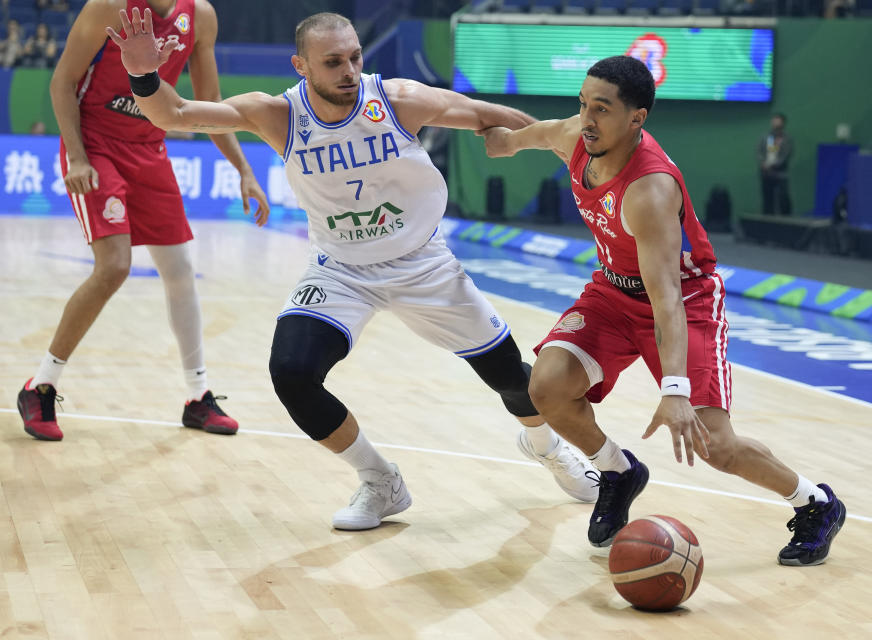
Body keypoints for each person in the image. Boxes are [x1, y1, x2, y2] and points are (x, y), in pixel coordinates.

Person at [106, 8, 599, 530]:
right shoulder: (276, 114)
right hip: (341, 269)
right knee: (293, 373)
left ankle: (547, 447)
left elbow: (484, 115)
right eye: (334, 61)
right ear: (302, 66)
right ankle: (380, 480)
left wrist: (569, 147)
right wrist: (142, 73)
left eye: (356, 57)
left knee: (510, 379)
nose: (349, 70)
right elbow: (175, 114)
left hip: (422, 263)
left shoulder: (398, 99)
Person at [480, 55, 845, 565]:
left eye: (601, 109)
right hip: (612, 291)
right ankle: (617, 470)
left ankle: (816, 503)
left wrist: (674, 390)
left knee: (715, 445)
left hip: (683, 301)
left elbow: (666, 297)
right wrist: (506, 141)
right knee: (545, 387)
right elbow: (541, 132)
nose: (586, 118)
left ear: (637, 118)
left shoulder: (648, 189)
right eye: (583, 104)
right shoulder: (578, 137)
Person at [16, 0, 271, 442]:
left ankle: (197, 396)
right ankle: (40, 386)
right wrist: (76, 156)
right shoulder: (109, 7)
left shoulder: (201, 16)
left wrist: (244, 170)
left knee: (179, 270)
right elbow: (62, 83)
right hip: (95, 142)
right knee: (114, 267)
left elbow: (209, 104)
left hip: (149, 148)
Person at [757, 113, 793, 216]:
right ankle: (767, 220)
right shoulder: (765, 137)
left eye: (778, 123)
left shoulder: (787, 139)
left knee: (783, 199)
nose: (776, 125)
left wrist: (773, 165)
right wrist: (763, 163)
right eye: (774, 122)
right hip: (766, 174)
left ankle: (786, 221)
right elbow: (759, 151)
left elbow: (786, 155)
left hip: (780, 174)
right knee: (767, 200)